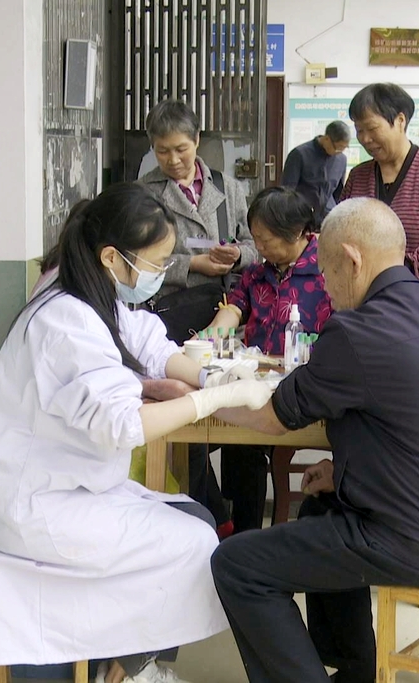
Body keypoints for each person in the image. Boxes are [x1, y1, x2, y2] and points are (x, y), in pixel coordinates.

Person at [0, 183, 274, 683]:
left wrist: (218, 374)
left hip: (67, 487)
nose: (157, 276)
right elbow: (125, 424)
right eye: (155, 264)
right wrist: (211, 401)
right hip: (43, 505)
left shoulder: (87, 290)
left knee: (192, 513)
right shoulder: (67, 318)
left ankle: (129, 660)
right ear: (112, 256)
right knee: (198, 545)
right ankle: (129, 666)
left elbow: (150, 343)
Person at [209, 198, 419, 683]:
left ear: (352, 259)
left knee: (238, 564)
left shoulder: (357, 330)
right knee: (318, 511)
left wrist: (197, 397)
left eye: (325, 270)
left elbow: (271, 417)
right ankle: (353, 671)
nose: (324, 285)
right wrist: (347, 470)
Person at [140, 99, 260, 532]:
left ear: (197, 143)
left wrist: (236, 255)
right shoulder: (146, 192)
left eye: (181, 150)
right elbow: (138, 260)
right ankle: (204, 520)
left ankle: (245, 525)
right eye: (162, 151)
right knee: (188, 416)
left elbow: (254, 244)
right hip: (175, 319)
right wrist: (191, 265)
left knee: (242, 415)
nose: (172, 160)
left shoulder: (228, 188)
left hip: (228, 316)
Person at [201, 187, 334, 532]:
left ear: (298, 233)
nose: (258, 248)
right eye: (256, 239)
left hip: (307, 386)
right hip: (256, 382)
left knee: (247, 436)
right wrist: (208, 338)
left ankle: (248, 533)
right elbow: (234, 309)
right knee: (214, 441)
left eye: (266, 239)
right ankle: (235, 528)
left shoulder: (328, 271)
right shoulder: (257, 274)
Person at [341, 83, 419, 288]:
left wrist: (394, 270)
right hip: (362, 296)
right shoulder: (357, 175)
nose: (365, 139)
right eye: (359, 130)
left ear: (400, 121)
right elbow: (340, 230)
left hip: (418, 295)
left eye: (372, 129)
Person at [281, 121, 351, 222]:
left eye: (344, 149)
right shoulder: (299, 154)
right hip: (302, 218)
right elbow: (287, 191)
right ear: (326, 138)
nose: (339, 152)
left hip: (328, 219)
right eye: (337, 148)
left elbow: (338, 193)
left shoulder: (341, 159)